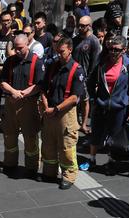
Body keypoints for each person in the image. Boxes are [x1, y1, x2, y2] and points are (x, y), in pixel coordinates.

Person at [86, 35, 129, 175]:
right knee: (96, 132)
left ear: (124, 50)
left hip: (119, 108)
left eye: (116, 50)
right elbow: (90, 82)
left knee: (114, 137)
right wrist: (93, 98)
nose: (113, 52)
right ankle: (92, 159)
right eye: (111, 49)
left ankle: (110, 162)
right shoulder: (101, 63)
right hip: (101, 105)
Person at [39, 36, 86, 190]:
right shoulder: (52, 65)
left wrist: (57, 109)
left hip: (65, 113)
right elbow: (43, 87)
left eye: (62, 52)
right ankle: (49, 171)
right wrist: (45, 102)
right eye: (57, 51)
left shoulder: (77, 70)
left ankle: (69, 175)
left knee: (67, 147)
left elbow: (74, 97)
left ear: (70, 50)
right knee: (49, 144)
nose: (59, 54)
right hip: (50, 110)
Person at [0, 33, 44, 176]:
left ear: (27, 46)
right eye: (15, 48)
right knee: (9, 135)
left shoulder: (37, 62)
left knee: (30, 137)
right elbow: (3, 82)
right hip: (11, 103)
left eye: (20, 48)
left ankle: (31, 167)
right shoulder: (10, 61)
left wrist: (22, 94)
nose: (17, 51)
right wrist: (13, 92)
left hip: (28, 105)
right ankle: (10, 163)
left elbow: (39, 85)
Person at [73, 16, 101, 136]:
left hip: (86, 77)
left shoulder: (93, 41)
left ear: (89, 26)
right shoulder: (75, 40)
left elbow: (95, 63)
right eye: (79, 25)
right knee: (74, 100)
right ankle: (75, 122)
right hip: (74, 75)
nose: (80, 28)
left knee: (85, 101)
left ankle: (83, 124)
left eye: (83, 26)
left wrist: (91, 79)